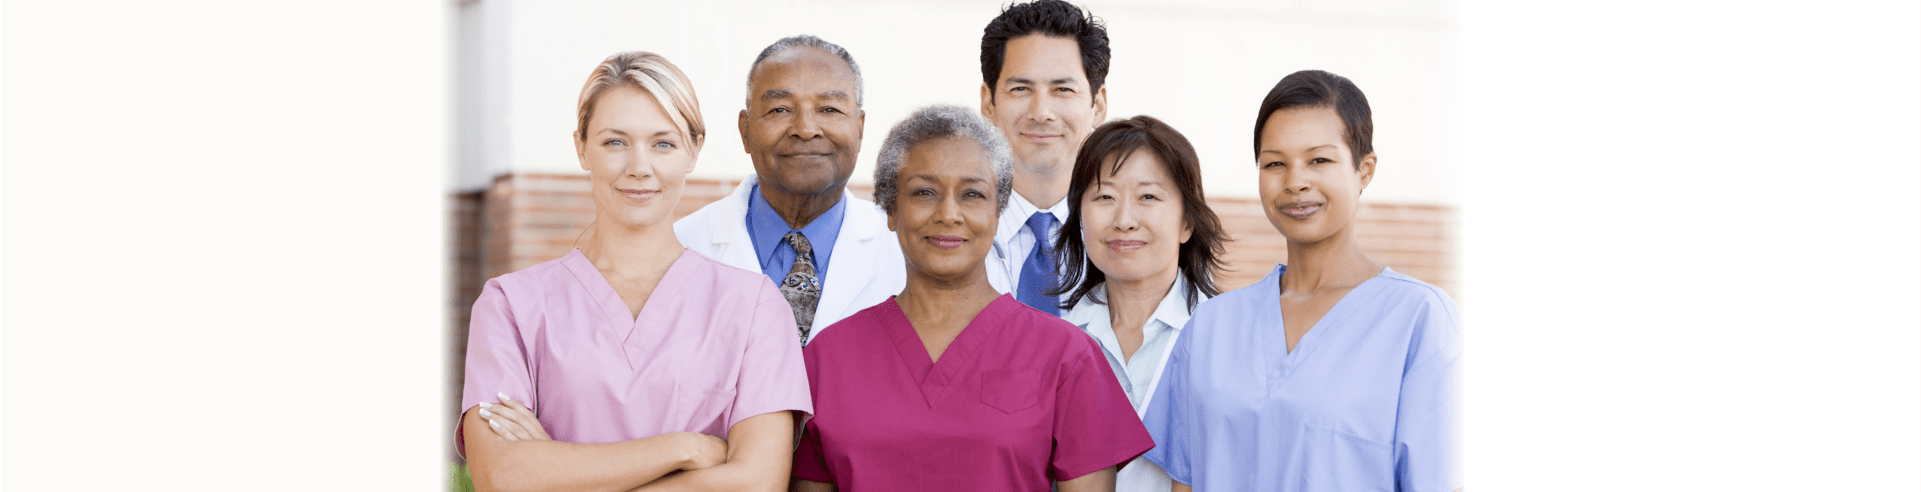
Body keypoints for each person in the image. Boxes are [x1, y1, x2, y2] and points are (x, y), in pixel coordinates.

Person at [458, 51, 808, 492]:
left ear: (692, 152)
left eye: (663, 143)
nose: (639, 167)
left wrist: (556, 471)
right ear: (581, 148)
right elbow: (502, 476)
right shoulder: (511, 306)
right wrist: (684, 448)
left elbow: (756, 483)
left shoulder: (754, 307)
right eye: (614, 142)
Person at [790, 105, 1152, 492]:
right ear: (890, 209)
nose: (949, 213)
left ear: (998, 212)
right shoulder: (828, 358)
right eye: (924, 192)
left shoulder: (1067, 356)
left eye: (972, 194)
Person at [1140, 70, 1463, 491]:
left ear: (1364, 170)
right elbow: (1184, 481)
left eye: (1319, 160)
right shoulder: (1211, 327)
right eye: (1275, 163)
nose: (1295, 182)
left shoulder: (1419, 321)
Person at [676, 35, 904, 345]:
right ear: (745, 131)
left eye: (829, 109)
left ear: (860, 129)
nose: (806, 129)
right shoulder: (679, 249)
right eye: (780, 109)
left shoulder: (906, 251)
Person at [1049, 115, 1226, 492]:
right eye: (1104, 197)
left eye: (1148, 197)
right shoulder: (1050, 338)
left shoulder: (1227, 334)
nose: (1124, 220)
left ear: (1187, 222)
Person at [977, 0, 1111, 314]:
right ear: (988, 104)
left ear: (1098, 105)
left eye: (1062, 90)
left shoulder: (1125, 233)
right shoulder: (948, 230)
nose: (1041, 113)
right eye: (1021, 89)